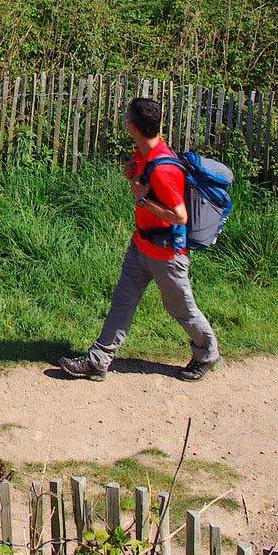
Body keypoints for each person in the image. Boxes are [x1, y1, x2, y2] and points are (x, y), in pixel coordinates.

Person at [58, 97, 222, 383]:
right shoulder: (147, 152)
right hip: (141, 246)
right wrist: (133, 170)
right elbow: (140, 173)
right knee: (122, 301)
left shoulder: (163, 168)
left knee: (181, 310)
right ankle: (99, 360)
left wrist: (143, 199)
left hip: (167, 256)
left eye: (126, 118)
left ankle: (207, 353)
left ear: (133, 126)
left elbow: (180, 215)